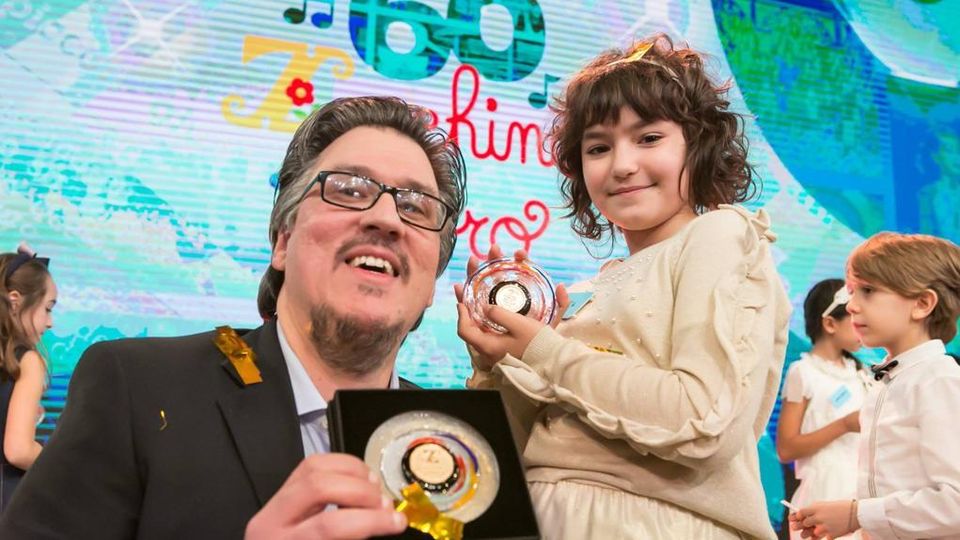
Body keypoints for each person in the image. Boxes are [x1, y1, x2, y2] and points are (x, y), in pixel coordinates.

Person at [0, 96, 467, 539]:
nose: (387, 218)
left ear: (432, 281)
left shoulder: (461, 447)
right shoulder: (135, 386)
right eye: (348, 189)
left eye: (414, 206)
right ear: (283, 242)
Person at [457, 34, 791, 539]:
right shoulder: (589, 290)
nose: (622, 164)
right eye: (598, 147)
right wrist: (497, 361)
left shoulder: (720, 234)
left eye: (649, 138)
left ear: (699, 144)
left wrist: (544, 351)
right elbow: (508, 453)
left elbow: (704, 418)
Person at [790, 232, 960, 540]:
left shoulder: (939, 380)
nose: (851, 306)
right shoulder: (887, 382)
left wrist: (857, 515)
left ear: (922, 303)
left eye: (867, 291)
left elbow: (956, 503)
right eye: (851, 292)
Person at [776, 279, 872, 539]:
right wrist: (844, 425)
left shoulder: (862, 373)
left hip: (860, 494)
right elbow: (786, 448)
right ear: (830, 324)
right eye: (854, 315)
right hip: (822, 493)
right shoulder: (803, 372)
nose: (864, 323)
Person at [0, 244, 57, 512]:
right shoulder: (27, 361)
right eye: (48, 308)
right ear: (15, 301)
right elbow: (19, 450)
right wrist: (65, 464)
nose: (50, 322)